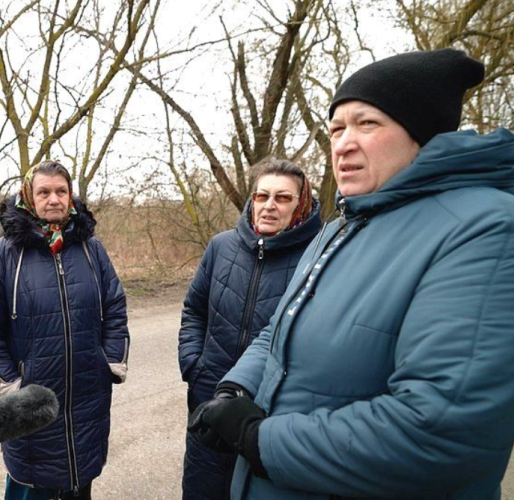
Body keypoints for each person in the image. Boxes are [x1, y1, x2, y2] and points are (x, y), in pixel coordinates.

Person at [187, 48, 514, 499]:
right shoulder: (341, 228)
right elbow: (280, 329)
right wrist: (233, 388)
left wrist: (257, 440)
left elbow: (442, 432)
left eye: (367, 123)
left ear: (422, 134)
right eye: (337, 128)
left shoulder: (487, 227)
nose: (343, 142)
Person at [0, 160, 129, 500]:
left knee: (78, 478)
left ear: (71, 197)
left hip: (88, 397)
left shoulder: (91, 249)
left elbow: (114, 305)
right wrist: (10, 387)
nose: (53, 199)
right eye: (44, 192)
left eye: (61, 191)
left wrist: (111, 359)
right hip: (32, 406)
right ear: (29, 195)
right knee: (31, 483)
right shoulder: (3, 254)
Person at [178, 158, 322, 499]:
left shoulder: (317, 256)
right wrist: (193, 365)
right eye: (262, 196)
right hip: (209, 396)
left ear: (300, 204)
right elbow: (194, 310)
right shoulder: (220, 246)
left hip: (270, 412)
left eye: (283, 198)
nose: (269, 206)